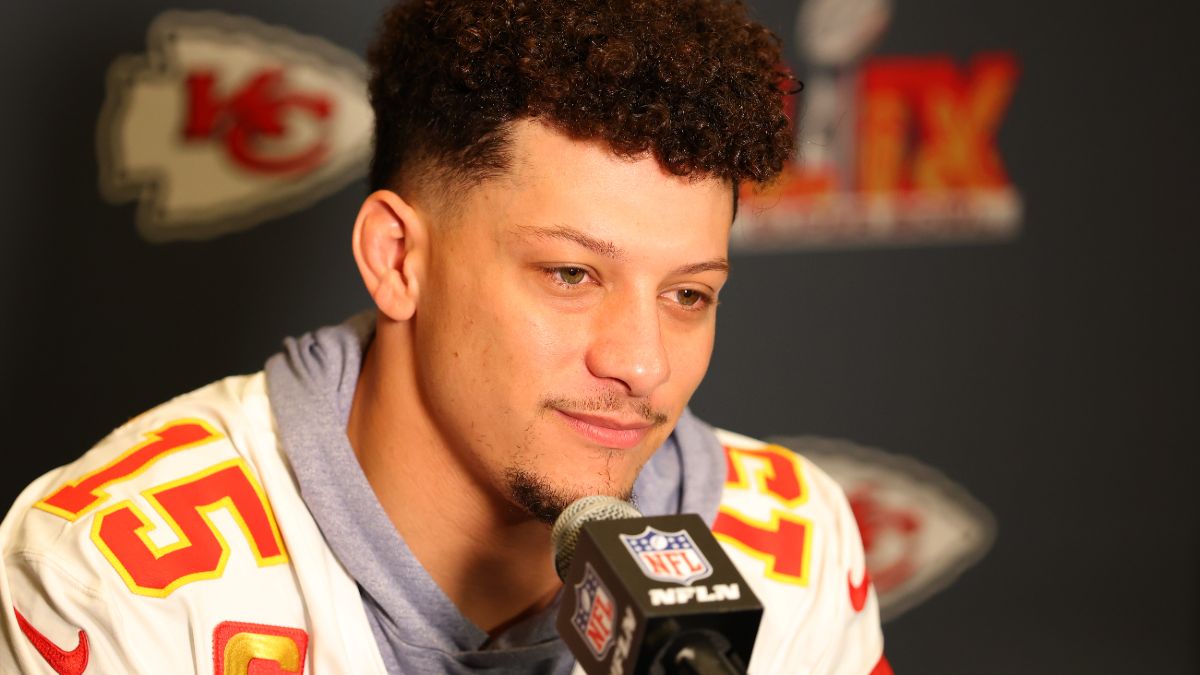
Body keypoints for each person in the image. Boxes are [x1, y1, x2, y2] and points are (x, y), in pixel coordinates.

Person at [0, 0, 887, 673]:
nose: (642, 363)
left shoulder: (794, 548)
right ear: (397, 259)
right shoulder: (108, 575)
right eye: (571, 274)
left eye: (688, 293)